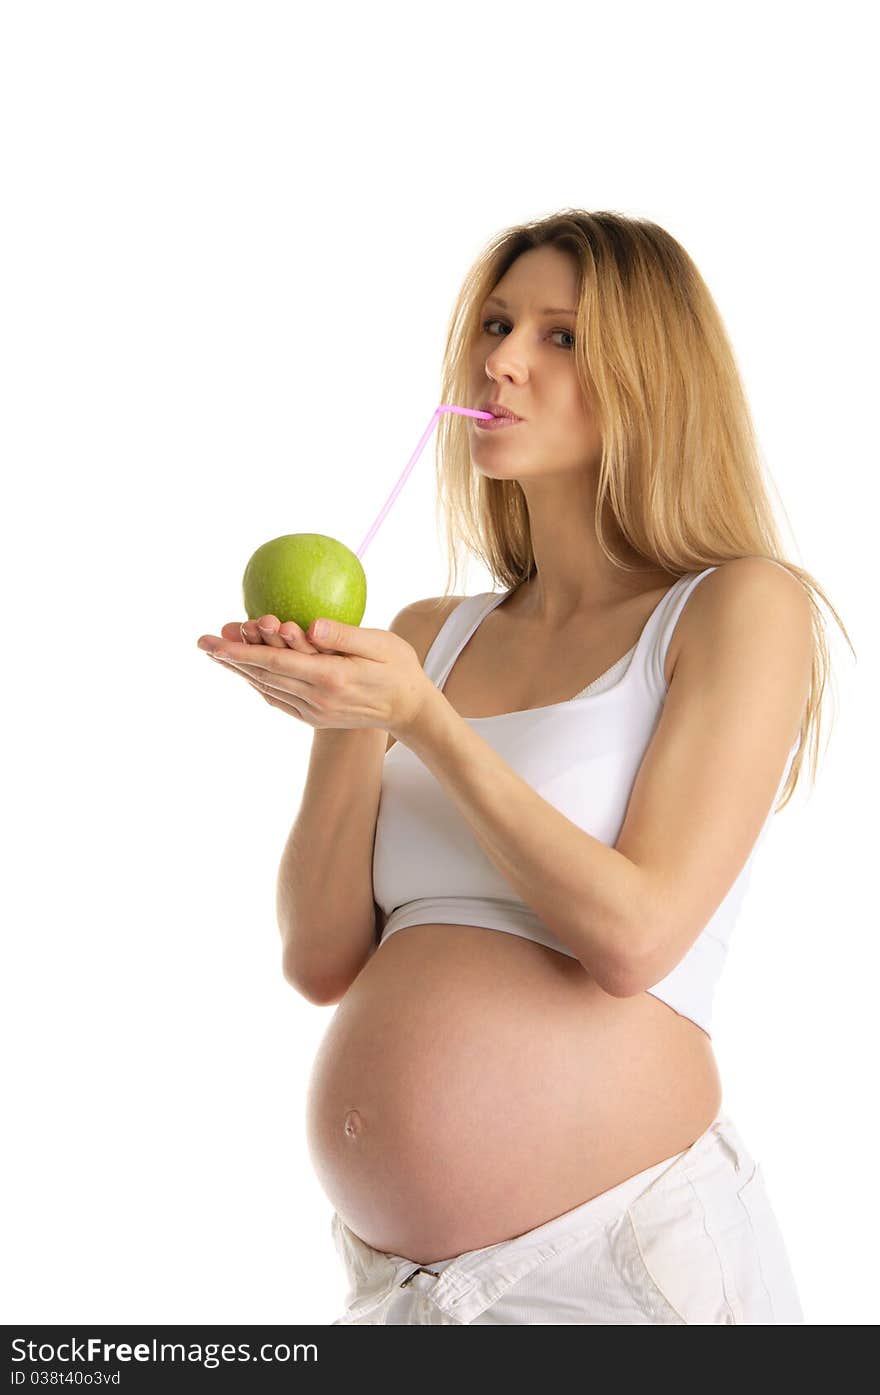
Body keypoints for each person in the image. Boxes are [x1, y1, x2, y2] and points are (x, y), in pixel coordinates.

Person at [198, 209, 852, 1323]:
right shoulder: (427, 631)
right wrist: (342, 715)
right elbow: (318, 960)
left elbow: (633, 938)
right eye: (496, 323)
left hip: (621, 1272)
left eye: (560, 336)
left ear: (655, 376)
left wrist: (426, 723)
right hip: (406, 1294)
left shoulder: (738, 605)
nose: (499, 359)